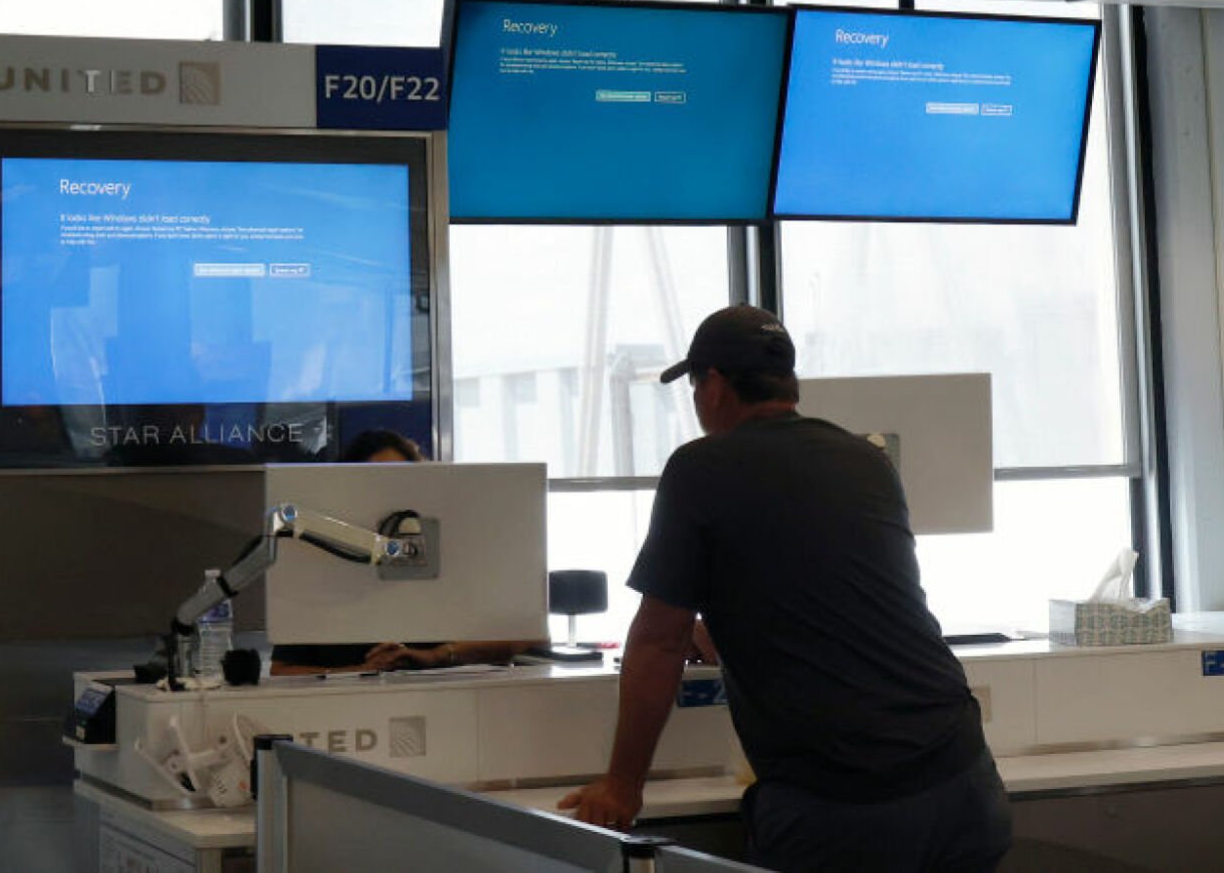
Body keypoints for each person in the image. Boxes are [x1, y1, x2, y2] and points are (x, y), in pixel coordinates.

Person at [558, 305, 1011, 873]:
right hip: (962, 780)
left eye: (695, 386)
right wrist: (733, 621)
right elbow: (840, 591)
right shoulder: (865, 460)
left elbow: (657, 643)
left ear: (715, 387)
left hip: (845, 806)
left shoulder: (701, 468)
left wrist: (622, 785)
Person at [269, 429, 545, 674]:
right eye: (376, 482)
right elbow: (283, 670)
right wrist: (361, 671)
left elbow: (520, 638)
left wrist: (436, 656)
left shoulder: (458, 550)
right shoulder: (317, 563)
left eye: (402, 479)